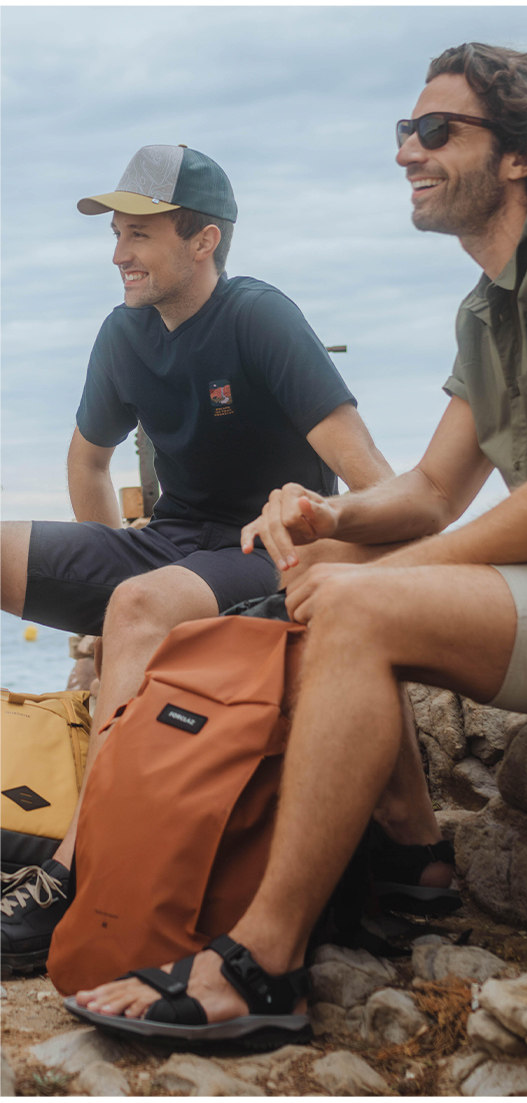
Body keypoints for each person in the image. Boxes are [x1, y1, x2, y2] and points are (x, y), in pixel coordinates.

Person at [71, 44, 527, 1045]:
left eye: (436, 130)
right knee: (326, 571)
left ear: (519, 155)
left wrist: (380, 574)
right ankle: (412, 865)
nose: (407, 150)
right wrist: (327, 519)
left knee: (358, 604)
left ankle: (261, 960)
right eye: (405, 129)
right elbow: (433, 490)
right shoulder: (489, 306)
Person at [1, 143, 456, 975]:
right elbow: (88, 462)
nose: (118, 253)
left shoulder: (258, 316)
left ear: (203, 239)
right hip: (170, 540)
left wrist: (328, 552)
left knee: (141, 603)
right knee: (87, 582)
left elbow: (376, 483)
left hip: (264, 548)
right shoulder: (124, 331)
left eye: (138, 234)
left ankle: (75, 868)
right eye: (116, 234)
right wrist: (106, 594)